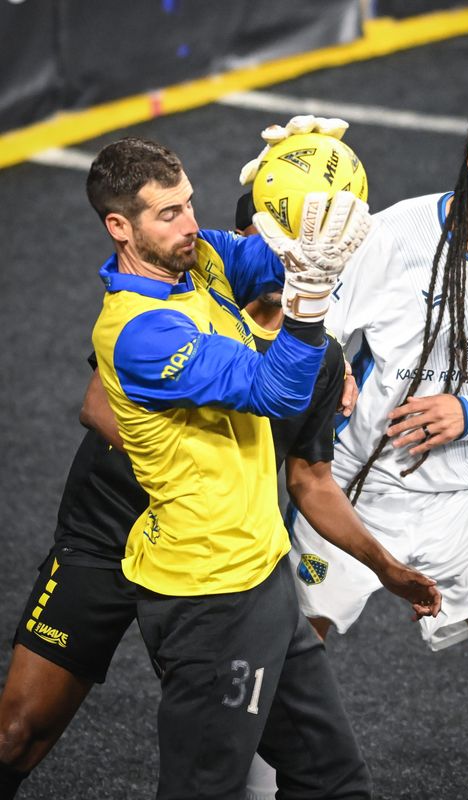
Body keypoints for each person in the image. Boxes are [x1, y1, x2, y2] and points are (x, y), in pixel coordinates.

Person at [0, 176, 440, 800]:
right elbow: (100, 405)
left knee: (316, 774)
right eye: (251, 235)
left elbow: (310, 479)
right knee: (19, 732)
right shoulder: (178, 305)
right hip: (109, 530)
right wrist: (192, 460)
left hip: (221, 563)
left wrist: (385, 566)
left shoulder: (315, 353)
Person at [283, 86, 468, 800]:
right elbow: (323, 323)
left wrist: (467, 412)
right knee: (294, 648)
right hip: (358, 482)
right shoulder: (400, 232)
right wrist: (335, 382)